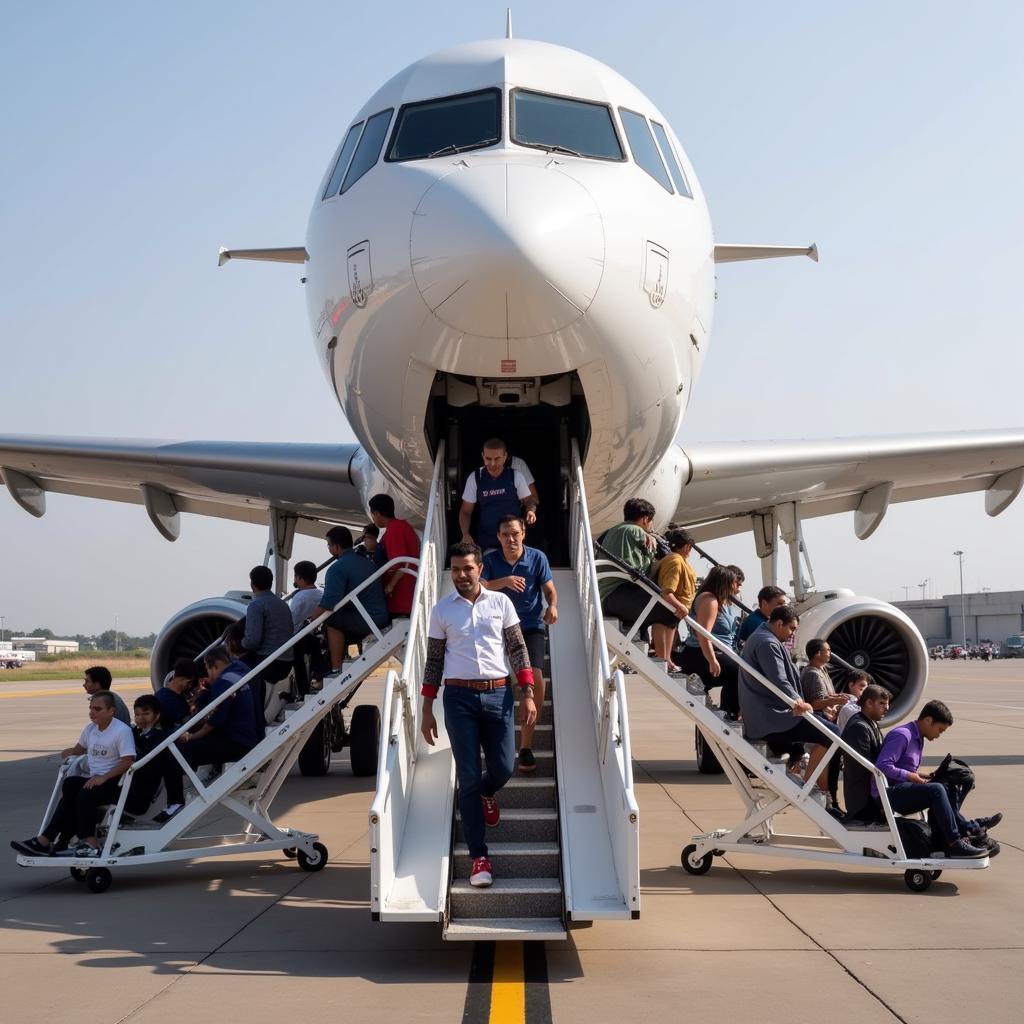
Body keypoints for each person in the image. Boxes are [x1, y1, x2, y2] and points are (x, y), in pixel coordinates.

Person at [420, 542, 537, 889]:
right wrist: (427, 708)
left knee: (503, 768)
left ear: (480, 569)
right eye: (455, 569)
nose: (461, 575)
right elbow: (434, 662)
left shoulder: (501, 603)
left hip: (499, 694)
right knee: (468, 778)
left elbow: (518, 648)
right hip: (458, 698)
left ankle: (488, 792)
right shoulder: (442, 610)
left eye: (467, 568)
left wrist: (527, 692)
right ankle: (478, 857)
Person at [12, 691, 136, 858]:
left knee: (85, 793)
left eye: (97, 709)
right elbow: (79, 749)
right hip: (95, 781)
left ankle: (90, 841)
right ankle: (46, 840)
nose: (92, 713)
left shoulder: (121, 731)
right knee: (70, 784)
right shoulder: (91, 729)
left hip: (115, 782)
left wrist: (103, 777)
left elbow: (128, 761)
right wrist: (68, 753)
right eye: (91, 708)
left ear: (111, 711)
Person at [874, 699, 1001, 858]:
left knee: (947, 784)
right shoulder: (902, 735)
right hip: (886, 795)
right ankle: (956, 843)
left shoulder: (917, 737)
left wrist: (925, 776)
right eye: (940, 730)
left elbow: (903, 768)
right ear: (928, 720)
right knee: (936, 790)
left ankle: (961, 833)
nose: (939, 735)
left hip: (900, 790)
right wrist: (912, 776)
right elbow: (882, 766)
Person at [739, 606, 841, 800]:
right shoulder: (767, 643)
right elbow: (779, 680)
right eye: (791, 628)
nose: (792, 633)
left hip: (767, 713)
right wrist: (800, 702)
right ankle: (814, 787)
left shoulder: (762, 637)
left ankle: (808, 775)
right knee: (832, 734)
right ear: (779, 624)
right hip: (771, 717)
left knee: (824, 730)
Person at [481, 513, 557, 772]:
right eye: (505, 535)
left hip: (529, 627)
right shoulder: (490, 560)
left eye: (515, 533)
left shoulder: (537, 558)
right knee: (491, 682)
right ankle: (494, 743)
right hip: (497, 626)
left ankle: (525, 746)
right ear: (498, 537)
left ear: (523, 533)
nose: (511, 539)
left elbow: (549, 589)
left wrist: (553, 605)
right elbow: (478, 589)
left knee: (537, 681)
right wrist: (504, 582)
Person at [598, 498, 679, 639]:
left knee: (645, 625)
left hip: (605, 597)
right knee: (671, 612)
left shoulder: (611, 531)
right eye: (651, 521)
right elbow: (635, 571)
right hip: (619, 596)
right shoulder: (636, 532)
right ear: (645, 519)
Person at [318, 525, 390, 672]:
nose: (329, 549)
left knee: (331, 620)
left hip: (369, 619)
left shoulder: (337, 568)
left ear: (337, 547)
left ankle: (336, 668)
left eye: (329, 545)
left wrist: (309, 622)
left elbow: (328, 603)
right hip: (381, 616)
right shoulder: (367, 562)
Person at [677, 565, 743, 716]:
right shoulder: (710, 601)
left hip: (705, 652)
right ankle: (729, 712)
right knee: (741, 673)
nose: (736, 587)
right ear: (723, 583)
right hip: (699, 654)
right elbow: (703, 633)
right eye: (734, 583)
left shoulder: (718, 601)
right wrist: (712, 659)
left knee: (739, 672)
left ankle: (728, 709)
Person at [180, 646, 259, 770]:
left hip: (237, 743)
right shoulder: (238, 672)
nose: (208, 674)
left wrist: (191, 737)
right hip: (247, 738)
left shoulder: (222, 682)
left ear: (214, 666)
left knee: (186, 749)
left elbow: (215, 720)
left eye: (208, 668)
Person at [459, 438, 538, 553]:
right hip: (487, 544)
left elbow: (529, 500)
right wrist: (465, 534)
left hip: (513, 543)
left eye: (497, 459)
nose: (492, 463)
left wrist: (531, 510)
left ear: (505, 457)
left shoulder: (515, 476)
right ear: (482, 456)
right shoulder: (475, 478)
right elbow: (465, 511)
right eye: (488, 458)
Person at [124, 694, 185, 822]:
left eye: (146, 714)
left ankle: (176, 801)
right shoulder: (132, 733)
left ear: (156, 716)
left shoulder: (161, 739)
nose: (141, 718)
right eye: (137, 714)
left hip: (142, 790)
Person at [840, 683, 891, 823]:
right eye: (882, 703)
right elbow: (866, 767)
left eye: (887, 704)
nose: (887, 708)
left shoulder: (870, 723)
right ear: (869, 703)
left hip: (870, 796)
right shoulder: (859, 727)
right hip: (864, 802)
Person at [242, 567, 295, 698]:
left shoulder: (256, 605)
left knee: (232, 668)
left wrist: (240, 643)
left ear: (252, 585)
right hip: (286, 662)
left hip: (269, 663)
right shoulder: (283, 604)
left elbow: (252, 641)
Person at [651, 528, 697, 672]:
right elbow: (667, 591)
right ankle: (663, 658)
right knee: (664, 625)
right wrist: (680, 606)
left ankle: (667, 659)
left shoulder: (677, 560)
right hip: (668, 606)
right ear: (686, 546)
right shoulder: (675, 561)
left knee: (671, 626)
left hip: (673, 610)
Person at [369, 492, 421, 617]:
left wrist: (390, 586)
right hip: (404, 593)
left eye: (373, 514)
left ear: (376, 513)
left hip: (401, 596)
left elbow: (400, 563)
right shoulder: (401, 526)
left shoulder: (394, 529)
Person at [800, 640, 850, 720]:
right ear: (818, 653)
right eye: (828, 650)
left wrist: (838, 697)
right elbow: (814, 704)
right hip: (819, 718)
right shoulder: (812, 674)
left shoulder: (821, 669)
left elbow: (825, 696)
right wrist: (836, 701)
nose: (830, 652)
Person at [156, 657, 196, 733]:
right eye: (189, 682)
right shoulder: (169, 700)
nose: (190, 686)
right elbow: (189, 724)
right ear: (182, 679)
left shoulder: (165, 693)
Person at [289, 560, 324, 630]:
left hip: (298, 637)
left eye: (295, 576)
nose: (294, 579)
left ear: (300, 578)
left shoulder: (299, 597)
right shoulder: (322, 595)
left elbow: (291, 622)